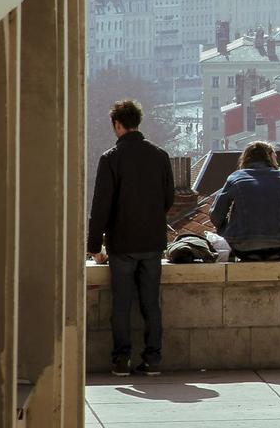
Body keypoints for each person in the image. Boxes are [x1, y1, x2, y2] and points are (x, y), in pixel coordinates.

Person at [86, 99, 174, 377]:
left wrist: (93, 245)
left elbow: (101, 205)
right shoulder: (160, 156)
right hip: (152, 242)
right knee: (151, 303)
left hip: (122, 243)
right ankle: (153, 359)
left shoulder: (110, 158)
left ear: (117, 125)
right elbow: (168, 198)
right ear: (138, 122)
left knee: (121, 304)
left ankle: (121, 359)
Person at [210, 141, 280, 261]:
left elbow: (216, 217)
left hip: (244, 249)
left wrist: (228, 228)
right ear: (270, 157)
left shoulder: (235, 178)